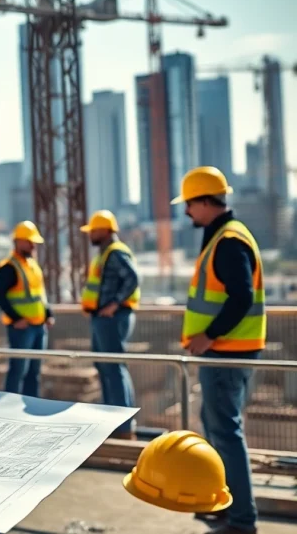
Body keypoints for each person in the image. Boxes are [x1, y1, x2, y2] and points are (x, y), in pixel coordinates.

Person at [173, 166, 264, 534]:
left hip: (227, 352)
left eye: (190, 204)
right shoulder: (222, 236)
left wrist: (208, 336)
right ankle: (225, 507)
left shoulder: (228, 240)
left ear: (206, 201)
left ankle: (241, 521)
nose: (186, 212)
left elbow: (240, 296)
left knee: (225, 433)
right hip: (227, 352)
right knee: (217, 429)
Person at [79, 209, 141, 439]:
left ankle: (123, 428)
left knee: (114, 368)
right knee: (106, 367)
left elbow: (133, 278)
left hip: (112, 319)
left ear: (105, 230)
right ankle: (112, 421)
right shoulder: (105, 253)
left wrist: (114, 304)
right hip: (102, 318)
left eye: (93, 230)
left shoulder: (115, 253)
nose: (90, 234)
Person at [0, 221, 53, 397]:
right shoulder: (9, 267)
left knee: (34, 373)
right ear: (18, 241)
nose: (33, 245)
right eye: (29, 241)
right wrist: (16, 319)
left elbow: (40, 294)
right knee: (18, 371)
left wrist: (48, 314)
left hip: (39, 327)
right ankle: (11, 409)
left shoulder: (32, 265)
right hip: (21, 329)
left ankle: (31, 408)